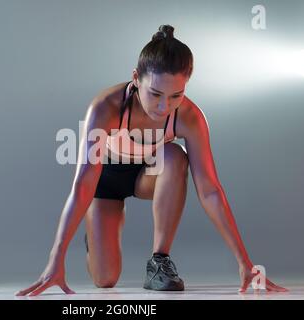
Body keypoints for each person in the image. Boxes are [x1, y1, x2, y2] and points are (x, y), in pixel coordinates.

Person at [16, 25, 288, 296]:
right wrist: (56, 258)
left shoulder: (190, 117)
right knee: (105, 279)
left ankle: (159, 261)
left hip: (147, 176)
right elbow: (83, 184)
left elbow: (210, 190)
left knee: (174, 155)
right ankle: (97, 235)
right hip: (104, 182)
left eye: (176, 96)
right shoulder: (106, 107)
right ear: (136, 78)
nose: (164, 107)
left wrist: (245, 262)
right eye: (155, 94)